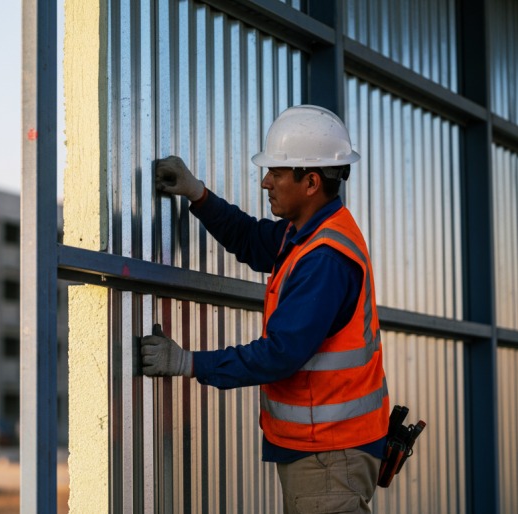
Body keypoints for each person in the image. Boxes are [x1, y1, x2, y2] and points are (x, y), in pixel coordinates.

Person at [141, 105, 388, 514]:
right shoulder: (307, 234)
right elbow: (251, 238)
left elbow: (280, 355)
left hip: (329, 454)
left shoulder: (325, 258)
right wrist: (196, 193)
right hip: (324, 449)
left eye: (276, 172)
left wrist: (187, 362)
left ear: (310, 182)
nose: (264, 182)